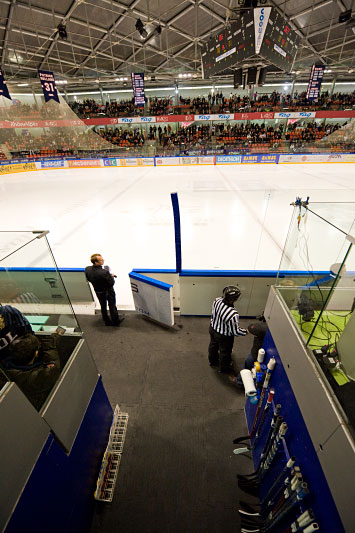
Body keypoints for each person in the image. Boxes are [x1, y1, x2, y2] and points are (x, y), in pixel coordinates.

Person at [3, 331, 62, 410]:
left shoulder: (7, 369)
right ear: (35, 353)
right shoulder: (35, 377)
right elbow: (53, 367)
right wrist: (50, 346)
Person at [208, 286, 247, 374]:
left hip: (212, 328)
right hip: (223, 336)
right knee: (225, 352)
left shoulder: (217, 300)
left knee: (213, 346)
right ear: (233, 299)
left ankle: (212, 362)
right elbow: (235, 331)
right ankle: (223, 369)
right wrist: (246, 332)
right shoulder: (233, 314)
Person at [85, 253, 123, 327]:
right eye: (101, 260)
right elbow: (111, 283)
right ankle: (115, 321)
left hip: (98, 291)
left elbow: (89, 279)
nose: (103, 260)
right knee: (112, 305)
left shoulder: (87, 269)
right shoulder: (104, 272)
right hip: (108, 292)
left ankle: (106, 321)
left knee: (103, 306)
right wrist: (110, 276)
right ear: (96, 262)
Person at [232, 320, 268, 388]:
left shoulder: (261, 329)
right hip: (260, 354)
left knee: (247, 365)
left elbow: (251, 328)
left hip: (255, 354)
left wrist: (245, 331)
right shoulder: (267, 329)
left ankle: (239, 382)